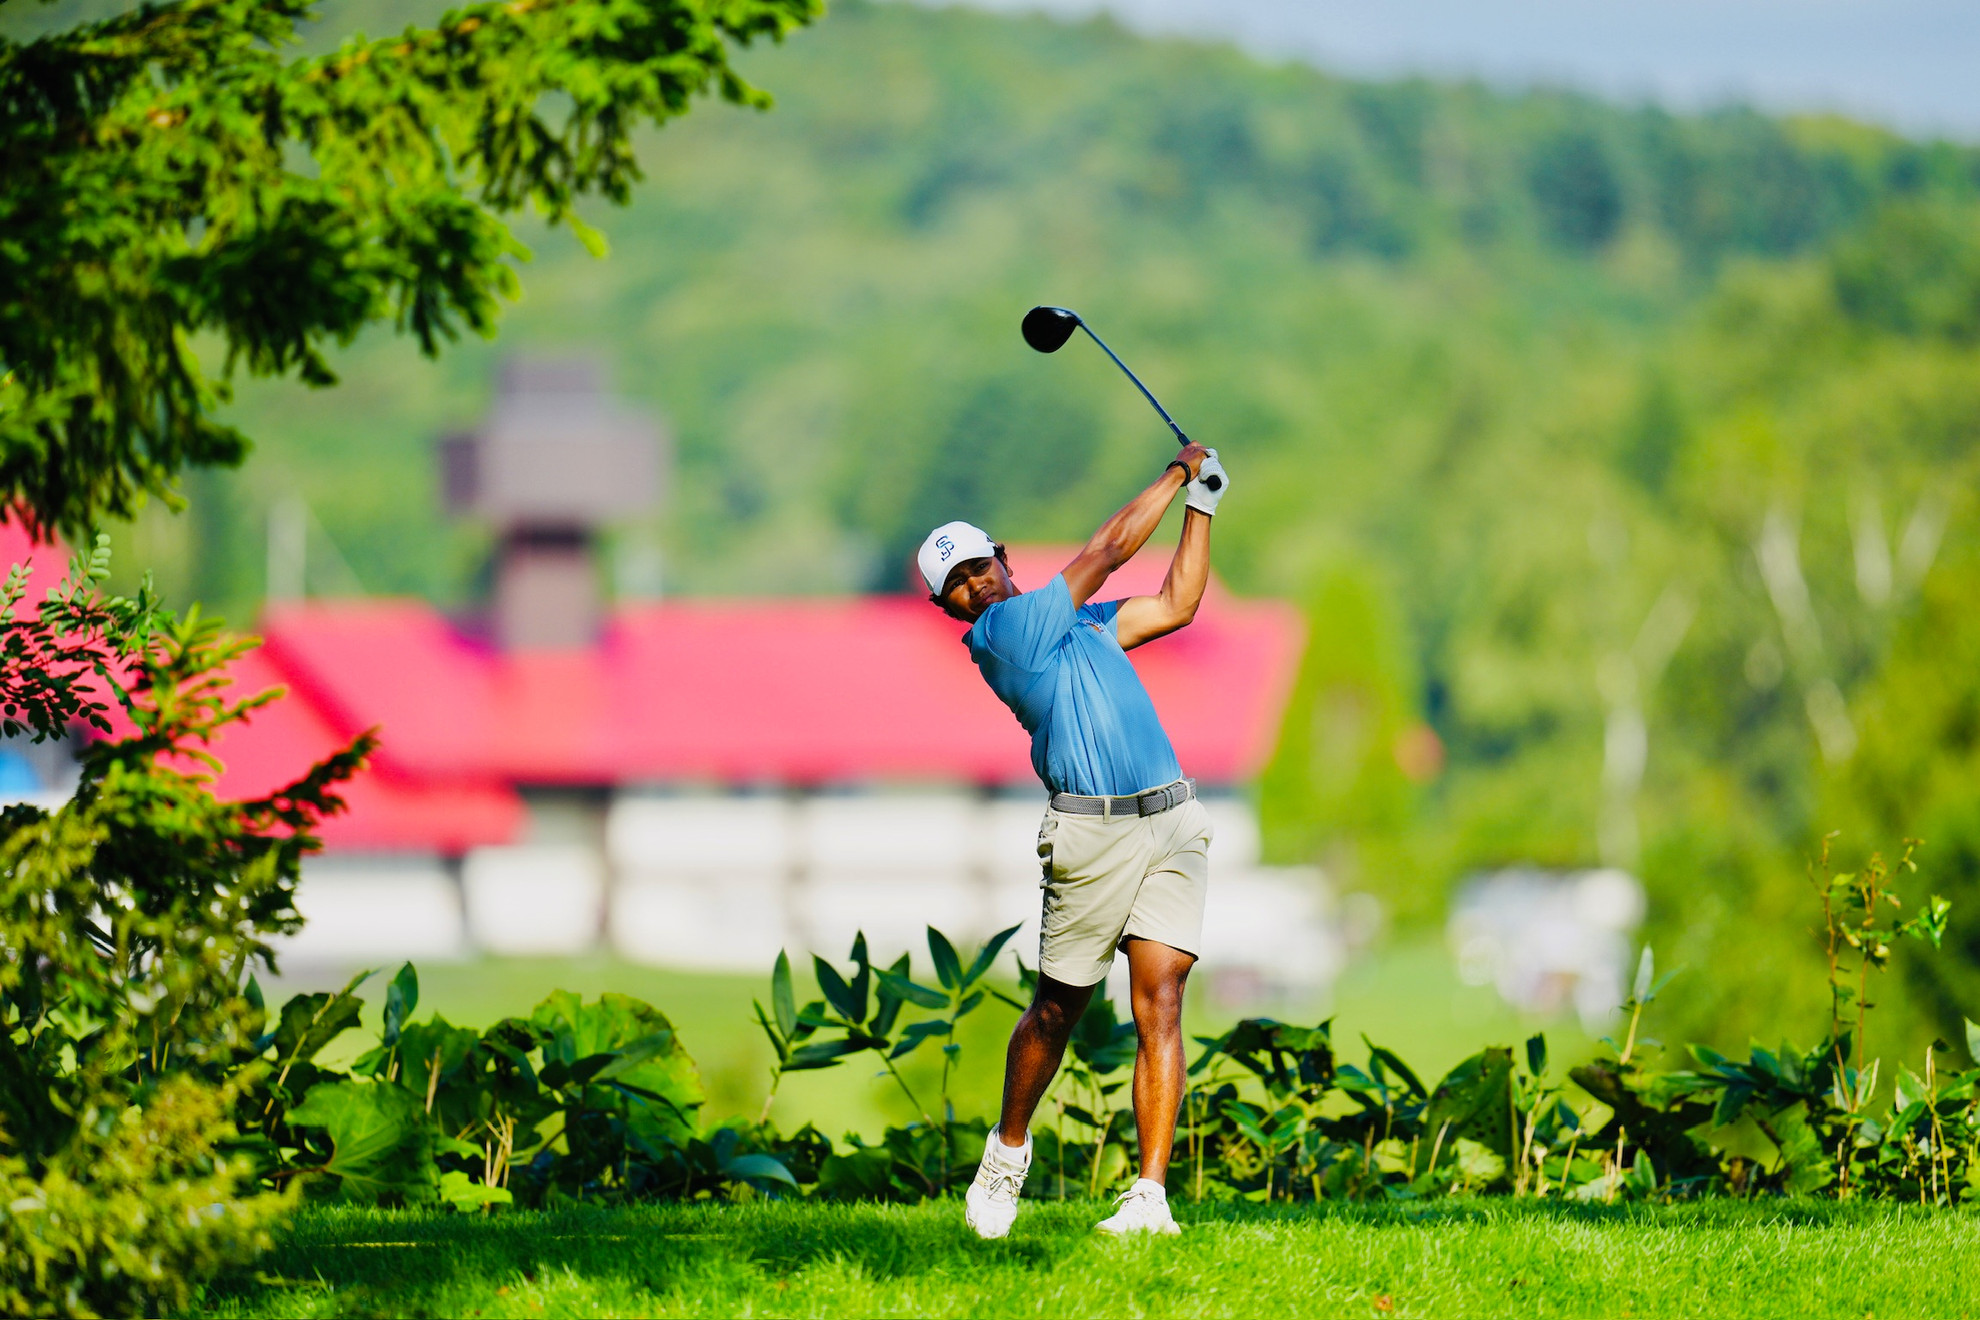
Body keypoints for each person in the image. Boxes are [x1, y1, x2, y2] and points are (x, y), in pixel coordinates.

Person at [915, 441, 1230, 1239]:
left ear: (1003, 558)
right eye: (957, 584)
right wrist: (1176, 473)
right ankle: (1008, 1150)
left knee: (1160, 1002)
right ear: (947, 607)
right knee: (1058, 1010)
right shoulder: (1004, 638)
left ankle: (1149, 1199)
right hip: (1090, 837)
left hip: (1169, 821)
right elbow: (1108, 549)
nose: (974, 584)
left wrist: (1204, 506)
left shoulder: (1083, 626)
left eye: (980, 566)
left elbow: (1176, 604)